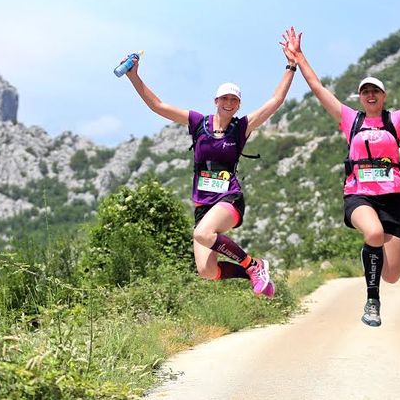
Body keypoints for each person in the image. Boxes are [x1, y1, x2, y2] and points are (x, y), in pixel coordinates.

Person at [282, 26, 400, 325]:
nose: (370, 94)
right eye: (365, 91)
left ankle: (375, 263)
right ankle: (372, 301)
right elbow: (318, 88)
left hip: (393, 198)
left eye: (375, 91)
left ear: (383, 96)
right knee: (372, 233)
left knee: (394, 274)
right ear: (360, 97)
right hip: (358, 194)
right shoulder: (350, 119)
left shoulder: (396, 120)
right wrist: (299, 57)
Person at [123, 45, 298, 298]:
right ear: (216, 101)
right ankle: (253, 271)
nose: (229, 103)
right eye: (224, 98)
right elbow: (158, 105)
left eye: (234, 100)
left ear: (238, 105)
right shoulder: (198, 123)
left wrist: (291, 66)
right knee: (207, 270)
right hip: (203, 204)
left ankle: (253, 266)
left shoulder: (242, 127)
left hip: (229, 198)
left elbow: (275, 101)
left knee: (203, 233)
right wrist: (133, 76)